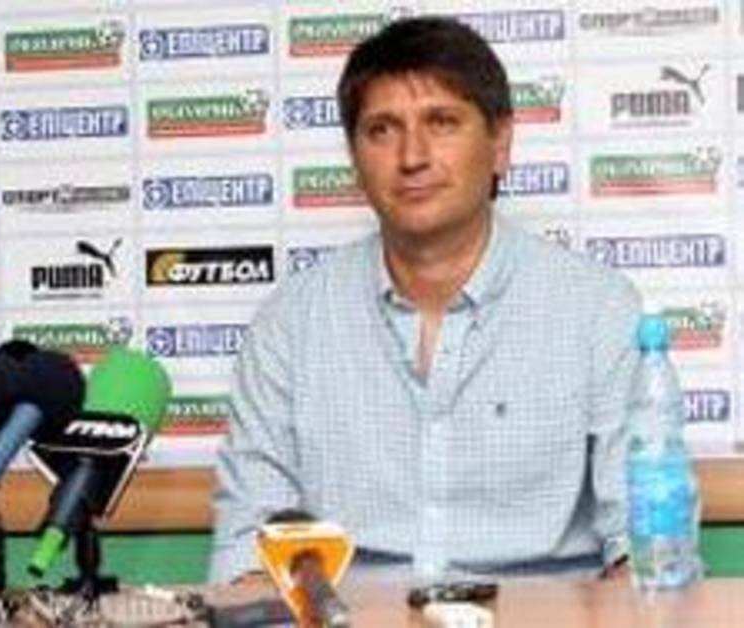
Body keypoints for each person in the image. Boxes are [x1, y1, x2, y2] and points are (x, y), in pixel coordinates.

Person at [209, 16, 641, 584]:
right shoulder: (290, 324)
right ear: (354, 157)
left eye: (441, 122)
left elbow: (646, 547)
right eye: (382, 130)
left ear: (500, 143)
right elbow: (248, 546)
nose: (412, 156)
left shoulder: (598, 310)